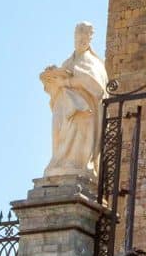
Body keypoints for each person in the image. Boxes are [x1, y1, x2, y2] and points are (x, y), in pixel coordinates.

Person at [40, 22, 109, 178]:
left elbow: (96, 87)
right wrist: (53, 76)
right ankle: (60, 162)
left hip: (84, 112)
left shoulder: (94, 63)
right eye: (79, 34)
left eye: (86, 36)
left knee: (78, 135)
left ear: (90, 38)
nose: (82, 39)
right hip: (64, 109)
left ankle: (77, 165)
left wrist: (67, 82)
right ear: (74, 36)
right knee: (60, 135)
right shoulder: (68, 62)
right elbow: (59, 84)